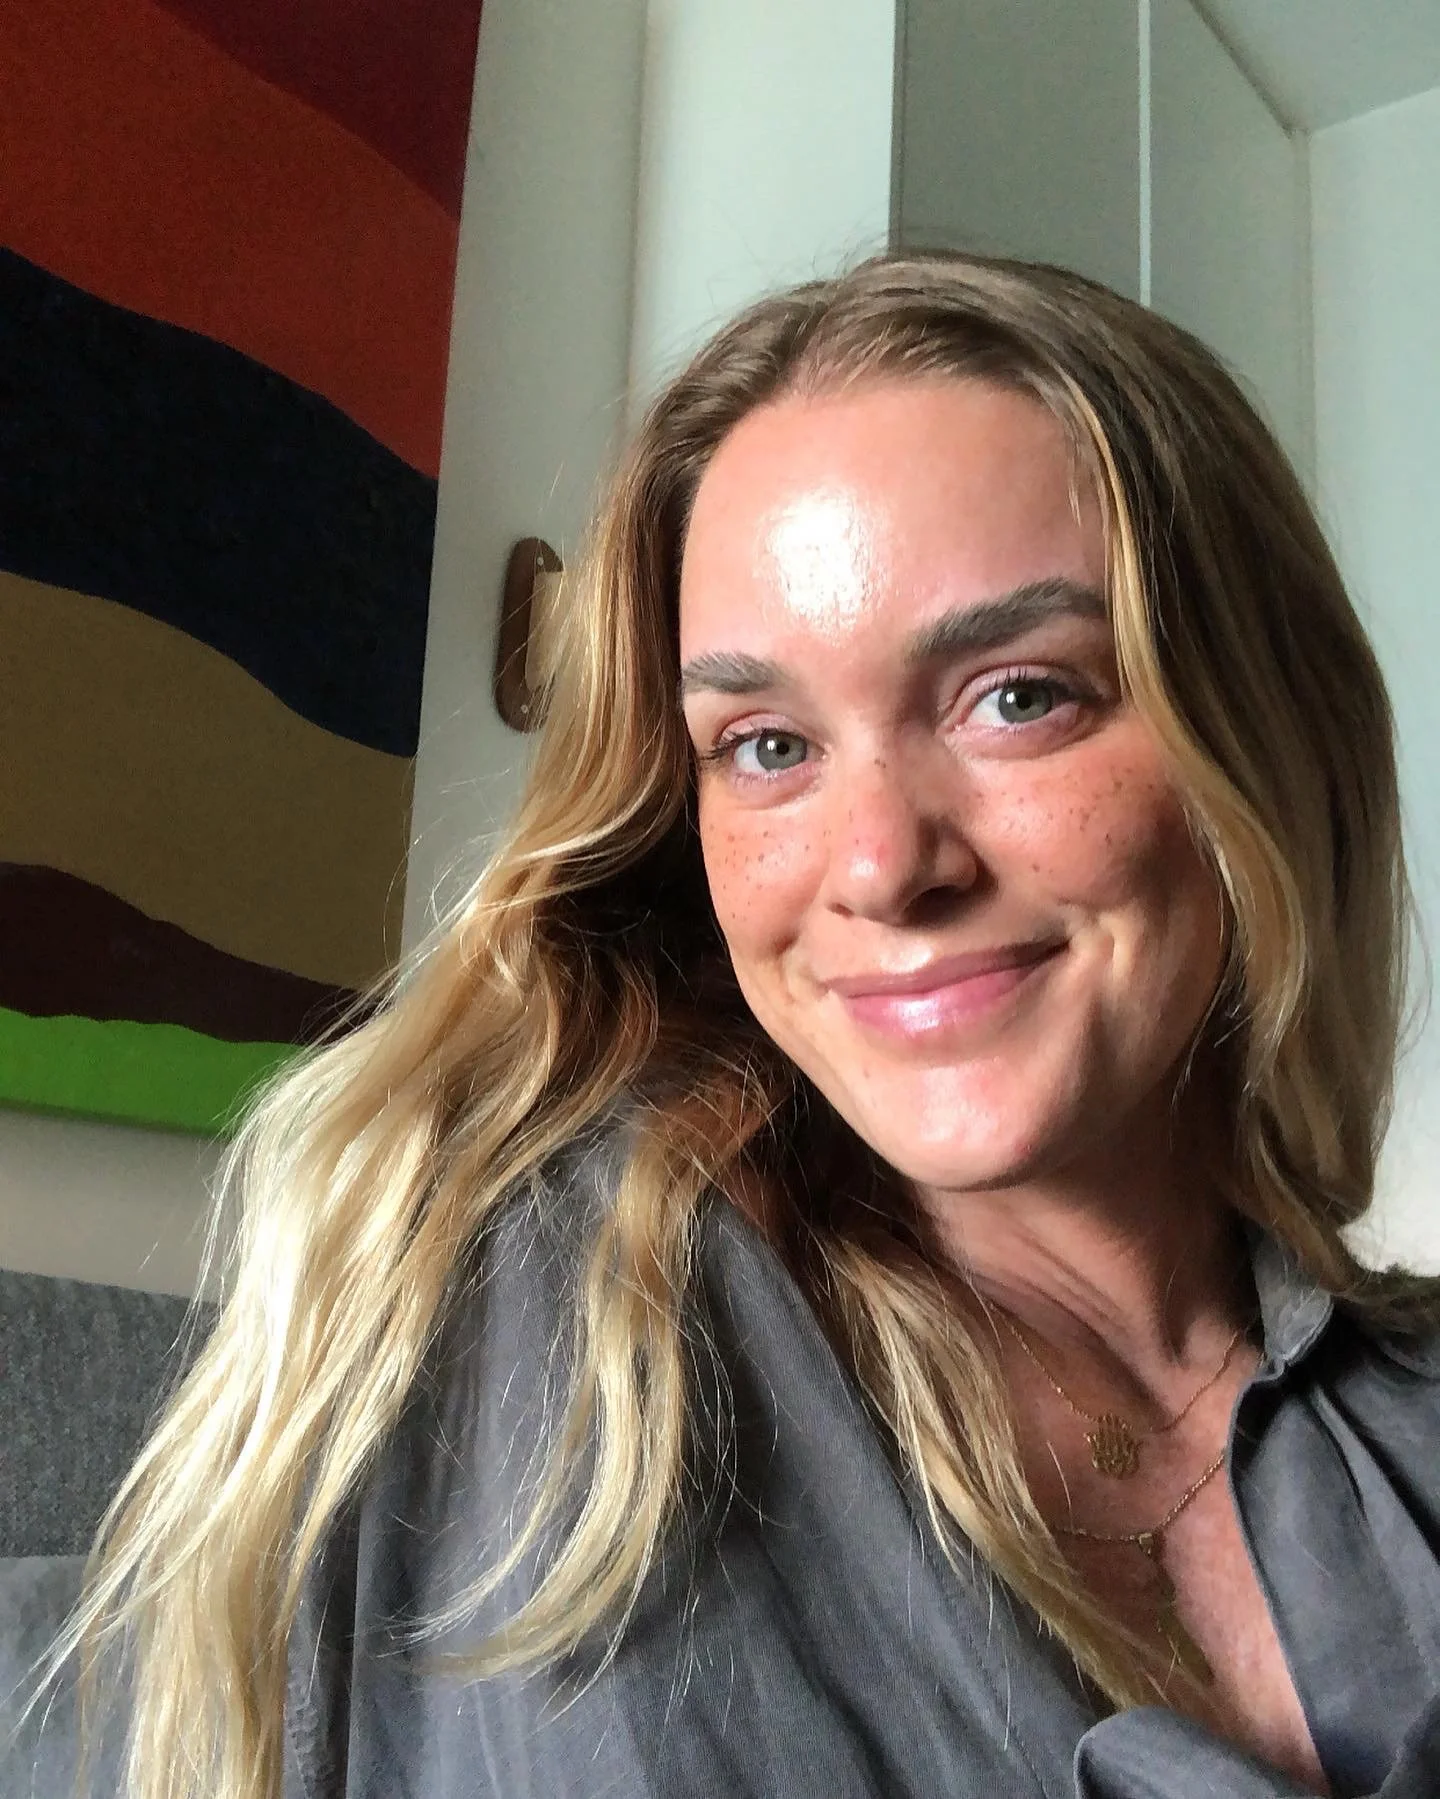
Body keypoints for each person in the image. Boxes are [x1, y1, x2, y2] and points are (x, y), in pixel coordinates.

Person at [59, 252, 1440, 1798]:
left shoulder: (1406, 1410)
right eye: (769, 744)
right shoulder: (586, 1322)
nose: (878, 865)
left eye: (1019, 695)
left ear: (1264, 721)